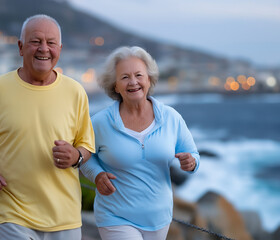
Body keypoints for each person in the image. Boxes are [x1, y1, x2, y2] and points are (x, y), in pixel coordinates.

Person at [0, 14, 95, 240]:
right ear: (20, 47)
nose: (44, 49)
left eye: (51, 43)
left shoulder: (75, 92)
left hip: (65, 215)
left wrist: (76, 156)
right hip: (12, 212)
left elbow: (86, 146)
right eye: (36, 41)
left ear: (60, 49)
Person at [80, 46, 200, 240]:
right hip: (115, 217)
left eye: (138, 75)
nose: (133, 82)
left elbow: (192, 153)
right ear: (115, 85)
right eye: (125, 77)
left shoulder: (171, 118)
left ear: (149, 79)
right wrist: (97, 175)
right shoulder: (100, 122)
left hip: (159, 219)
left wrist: (191, 162)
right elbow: (85, 156)